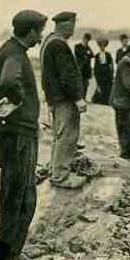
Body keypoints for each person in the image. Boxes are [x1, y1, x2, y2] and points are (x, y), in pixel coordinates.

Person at [0, 9, 47, 260]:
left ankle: (7, 249)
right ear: (31, 31)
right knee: (21, 194)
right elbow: (9, 81)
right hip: (19, 133)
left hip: (9, 132)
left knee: (12, 191)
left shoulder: (7, 49)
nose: (41, 35)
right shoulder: (15, 53)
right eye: (40, 30)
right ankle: (9, 253)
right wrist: (19, 104)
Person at [40, 11, 87, 189]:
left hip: (54, 98)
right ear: (65, 25)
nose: (73, 30)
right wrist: (78, 98)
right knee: (67, 137)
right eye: (73, 26)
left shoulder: (48, 41)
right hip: (64, 99)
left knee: (58, 136)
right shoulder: (59, 44)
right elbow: (67, 75)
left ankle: (55, 172)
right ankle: (61, 177)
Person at [91, 38, 114, 105]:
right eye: (101, 45)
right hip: (100, 75)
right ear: (99, 46)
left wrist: (111, 74)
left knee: (108, 89)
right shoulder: (97, 56)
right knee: (100, 88)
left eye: (103, 45)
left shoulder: (108, 55)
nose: (102, 47)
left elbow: (111, 65)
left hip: (107, 75)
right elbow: (95, 67)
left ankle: (108, 101)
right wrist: (96, 74)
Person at [74, 32, 94, 99]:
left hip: (86, 70)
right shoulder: (77, 46)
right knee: (79, 85)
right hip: (80, 69)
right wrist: (86, 54)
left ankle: (84, 98)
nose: (87, 41)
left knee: (86, 85)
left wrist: (86, 54)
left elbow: (92, 55)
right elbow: (79, 53)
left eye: (88, 40)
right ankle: (80, 98)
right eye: (86, 39)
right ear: (83, 39)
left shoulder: (88, 47)